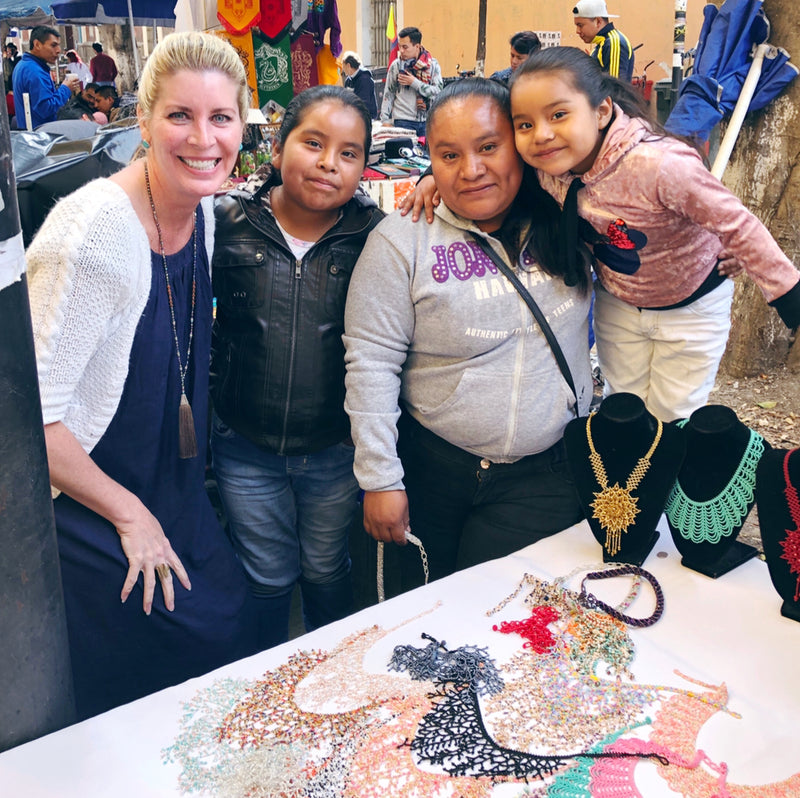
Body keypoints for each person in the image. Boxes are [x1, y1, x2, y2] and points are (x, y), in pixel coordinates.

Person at [25, 31, 258, 720]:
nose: (203, 138)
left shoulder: (203, 211)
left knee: (225, 625)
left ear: (242, 125)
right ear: (143, 121)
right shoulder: (93, 233)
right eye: (180, 116)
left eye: (221, 118)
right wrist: (129, 516)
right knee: (158, 661)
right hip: (88, 503)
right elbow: (31, 421)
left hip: (171, 484)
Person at [344, 78, 591, 593]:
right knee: (412, 629)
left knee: (503, 624)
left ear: (519, 144)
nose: (471, 170)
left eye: (487, 147)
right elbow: (371, 363)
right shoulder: (402, 239)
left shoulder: (575, 215)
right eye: (448, 155)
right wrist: (380, 479)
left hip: (543, 477)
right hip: (431, 470)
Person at [510, 46, 800, 421]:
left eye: (559, 114)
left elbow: (736, 223)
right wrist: (433, 179)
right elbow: (489, 166)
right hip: (619, 302)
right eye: (525, 125)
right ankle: (625, 477)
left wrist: (789, 297)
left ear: (601, 111)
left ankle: (664, 478)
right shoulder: (545, 170)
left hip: (692, 305)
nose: (542, 135)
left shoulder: (659, 165)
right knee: (621, 406)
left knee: (674, 413)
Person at [211, 85, 384, 648]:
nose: (328, 163)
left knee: (326, 568)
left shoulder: (376, 236)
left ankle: (331, 677)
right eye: (313, 142)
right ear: (280, 145)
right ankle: (264, 685)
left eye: (349, 152)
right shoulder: (226, 222)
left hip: (334, 449)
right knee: (264, 573)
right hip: (244, 447)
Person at [380, 26, 442, 137]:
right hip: (402, 121)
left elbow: (438, 92)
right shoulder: (396, 66)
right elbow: (388, 93)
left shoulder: (432, 65)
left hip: (427, 121)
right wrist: (384, 120)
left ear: (417, 46)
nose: (401, 51)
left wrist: (414, 82)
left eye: (405, 47)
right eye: (399, 47)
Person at [12, 26, 79, 128]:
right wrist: (66, 88)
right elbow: (46, 109)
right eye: (53, 45)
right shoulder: (34, 71)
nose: (58, 50)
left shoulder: (23, 65)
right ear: (37, 44)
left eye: (58, 45)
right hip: (40, 136)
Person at [573, 0, 634, 81]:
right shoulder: (602, 44)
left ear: (598, 21)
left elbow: (615, 88)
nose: (577, 31)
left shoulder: (614, 43)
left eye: (580, 25)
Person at [341, 50, 378, 118]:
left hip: (365, 118)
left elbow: (363, 103)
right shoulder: (348, 81)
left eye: (343, 66)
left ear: (348, 65)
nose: (343, 69)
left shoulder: (364, 79)